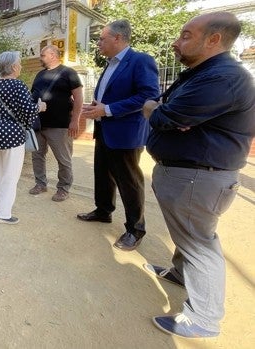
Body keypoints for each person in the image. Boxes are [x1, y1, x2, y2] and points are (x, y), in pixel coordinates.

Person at [143, 12, 255, 338]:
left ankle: (204, 318)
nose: (177, 42)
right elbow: (168, 111)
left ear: (214, 39)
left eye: (186, 35)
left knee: (198, 244)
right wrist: (163, 111)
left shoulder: (223, 78)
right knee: (188, 234)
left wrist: (158, 111)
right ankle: (180, 273)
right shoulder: (203, 73)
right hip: (191, 175)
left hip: (198, 177)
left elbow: (166, 114)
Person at [78, 20, 159, 251]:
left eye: (102, 39)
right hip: (105, 129)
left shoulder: (140, 60)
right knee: (102, 174)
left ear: (117, 38)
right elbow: (114, 95)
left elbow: (149, 95)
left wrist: (108, 109)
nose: (98, 43)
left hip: (126, 133)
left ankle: (135, 229)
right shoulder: (110, 64)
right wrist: (98, 105)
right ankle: (103, 211)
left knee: (129, 182)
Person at [0, 51, 46, 224]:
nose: (21, 66)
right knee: (11, 175)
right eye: (19, 63)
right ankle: (3, 214)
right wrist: (40, 107)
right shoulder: (18, 85)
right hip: (12, 135)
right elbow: (28, 110)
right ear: (13, 67)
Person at [29, 45, 83, 202]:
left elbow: (78, 98)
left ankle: (63, 188)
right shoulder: (40, 74)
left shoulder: (68, 73)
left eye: (43, 55)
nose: (40, 58)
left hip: (60, 125)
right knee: (37, 156)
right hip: (38, 124)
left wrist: (75, 120)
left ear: (53, 55)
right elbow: (34, 97)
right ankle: (40, 184)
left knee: (63, 158)